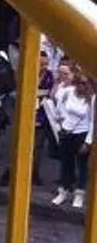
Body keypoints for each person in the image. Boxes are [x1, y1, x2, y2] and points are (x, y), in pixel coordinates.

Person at [50, 65, 92, 211]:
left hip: (82, 133)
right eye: (79, 83)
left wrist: (88, 141)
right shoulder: (67, 92)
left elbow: (93, 121)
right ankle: (63, 190)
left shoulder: (91, 99)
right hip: (66, 132)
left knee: (81, 166)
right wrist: (62, 121)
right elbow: (59, 105)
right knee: (66, 163)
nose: (81, 87)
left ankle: (79, 193)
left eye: (85, 84)